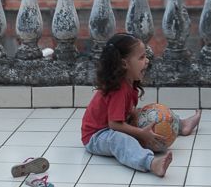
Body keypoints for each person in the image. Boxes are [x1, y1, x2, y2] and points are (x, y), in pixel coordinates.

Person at [80, 32, 201, 176]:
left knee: (150, 114)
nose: (147, 61)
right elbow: (114, 125)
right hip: (96, 135)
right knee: (119, 140)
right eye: (142, 57)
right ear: (125, 63)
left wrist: (137, 116)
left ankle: (181, 125)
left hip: (113, 125)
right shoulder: (118, 89)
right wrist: (141, 133)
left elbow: (126, 112)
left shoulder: (129, 84)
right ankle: (150, 163)